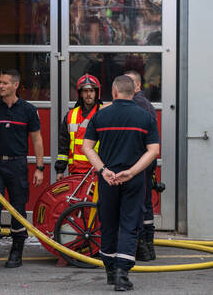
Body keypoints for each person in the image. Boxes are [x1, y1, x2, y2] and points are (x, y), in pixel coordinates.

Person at [82, 75, 159, 291]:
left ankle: (109, 270)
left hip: (107, 180)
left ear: (114, 93)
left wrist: (103, 170)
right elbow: (153, 151)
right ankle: (122, 275)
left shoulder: (101, 116)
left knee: (108, 223)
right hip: (133, 179)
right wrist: (132, 172)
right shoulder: (145, 118)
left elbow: (87, 147)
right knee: (129, 224)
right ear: (133, 92)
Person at [0, 69, 45, 272]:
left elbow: (37, 139)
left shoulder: (28, 110)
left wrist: (39, 168)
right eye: (0, 82)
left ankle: (16, 252)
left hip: (17, 165)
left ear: (15, 85)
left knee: (18, 208)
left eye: (5, 83)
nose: (1, 86)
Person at [125, 70, 158, 261]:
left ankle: (143, 247)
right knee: (144, 202)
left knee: (141, 203)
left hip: (140, 161)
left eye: (129, 83)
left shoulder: (137, 104)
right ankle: (147, 248)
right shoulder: (144, 103)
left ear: (137, 86)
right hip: (145, 160)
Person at [55, 74, 102, 181]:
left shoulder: (103, 114)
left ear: (96, 92)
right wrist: (60, 170)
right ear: (80, 93)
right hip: (75, 172)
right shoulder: (70, 115)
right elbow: (63, 145)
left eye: (91, 90)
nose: (88, 94)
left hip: (97, 171)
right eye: (85, 91)